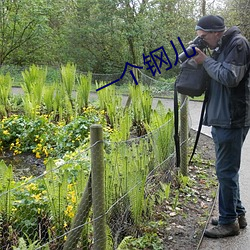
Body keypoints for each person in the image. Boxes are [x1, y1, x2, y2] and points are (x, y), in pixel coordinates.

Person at [193, 15, 250, 238]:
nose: (203, 41)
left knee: (225, 171)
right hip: (222, 117)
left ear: (217, 32)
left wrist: (204, 60)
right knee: (227, 171)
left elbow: (229, 77)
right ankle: (237, 214)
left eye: (204, 37)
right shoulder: (222, 46)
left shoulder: (238, 44)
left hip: (232, 118)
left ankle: (228, 223)